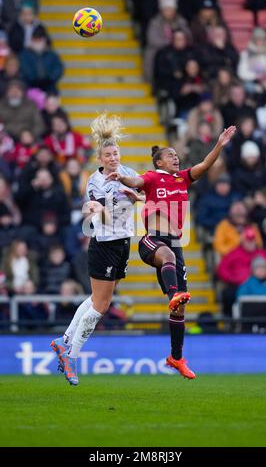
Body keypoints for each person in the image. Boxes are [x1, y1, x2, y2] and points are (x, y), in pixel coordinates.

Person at [107, 125, 237, 379]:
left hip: (175, 245)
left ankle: (176, 358)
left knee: (179, 310)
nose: (176, 158)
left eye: (177, 155)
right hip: (152, 241)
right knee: (167, 261)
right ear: (158, 161)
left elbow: (205, 164)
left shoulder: (183, 178)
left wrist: (220, 143)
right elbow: (136, 182)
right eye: (170, 155)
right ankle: (174, 293)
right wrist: (121, 178)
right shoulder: (153, 178)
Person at [50, 113, 144, 385]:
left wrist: (135, 196)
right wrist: (101, 210)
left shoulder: (129, 174)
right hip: (104, 244)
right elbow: (98, 215)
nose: (113, 158)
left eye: (116, 153)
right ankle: (71, 355)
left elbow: (145, 194)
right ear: (100, 159)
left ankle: (64, 340)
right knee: (101, 305)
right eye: (108, 155)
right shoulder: (95, 182)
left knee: (95, 299)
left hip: (123, 243)